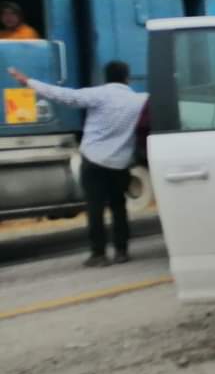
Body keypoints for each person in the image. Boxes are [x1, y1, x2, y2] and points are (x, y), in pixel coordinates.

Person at [7, 61, 148, 266]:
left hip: (94, 162)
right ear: (127, 78)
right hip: (120, 165)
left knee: (95, 208)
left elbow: (64, 96)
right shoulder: (139, 100)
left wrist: (29, 82)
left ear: (105, 78)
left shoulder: (98, 94)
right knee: (119, 207)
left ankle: (98, 255)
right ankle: (121, 251)